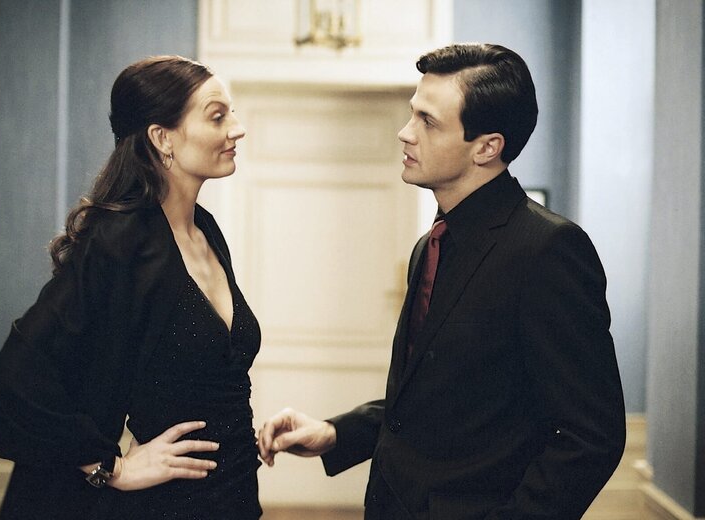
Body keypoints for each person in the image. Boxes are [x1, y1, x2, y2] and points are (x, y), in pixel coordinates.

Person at [258, 43, 626, 519]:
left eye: (427, 122)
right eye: (413, 114)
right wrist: (336, 433)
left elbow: (591, 436)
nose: (405, 132)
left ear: (487, 147)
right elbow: (439, 398)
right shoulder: (430, 245)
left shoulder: (548, 249)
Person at [0, 55, 263, 519]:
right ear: (162, 137)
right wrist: (110, 468)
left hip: (232, 492)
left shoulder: (206, 230)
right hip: (165, 504)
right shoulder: (120, 239)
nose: (237, 129)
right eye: (218, 116)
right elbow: (18, 376)